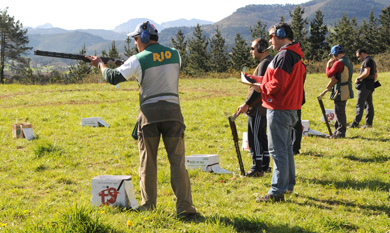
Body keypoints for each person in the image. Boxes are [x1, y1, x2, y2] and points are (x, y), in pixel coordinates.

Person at [87, 21, 196, 217]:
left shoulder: (137, 59)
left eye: (136, 39)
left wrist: (100, 64)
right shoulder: (175, 54)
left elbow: (112, 77)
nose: (136, 43)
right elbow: (159, 67)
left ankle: (149, 206)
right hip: (173, 114)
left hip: (149, 117)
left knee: (148, 163)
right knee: (178, 163)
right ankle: (185, 208)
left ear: (143, 38)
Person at [253, 23, 306, 202]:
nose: (269, 40)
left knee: (277, 151)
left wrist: (262, 87)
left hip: (279, 108)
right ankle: (288, 186)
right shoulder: (294, 54)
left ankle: (277, 191)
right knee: (286, 149)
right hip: (290, 107)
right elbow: (282, 80)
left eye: (271, 36)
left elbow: (278, 84)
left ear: (281, 34)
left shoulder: (283, 55)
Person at [236, 38, 272, 177]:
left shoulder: (264, 64)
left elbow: (259, 89)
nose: (251, 51)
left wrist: (247, 104)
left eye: (253, 48)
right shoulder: (267, 62)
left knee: (254, 137)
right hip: (260, 106)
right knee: (261, 135)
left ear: (261, 48)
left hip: (258, 107)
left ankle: (257, 168)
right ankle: (264, 164)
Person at [325, 45, 354, 138]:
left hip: (341, 89)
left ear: (335, 54)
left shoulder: (338, 63)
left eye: (333, 55)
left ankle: (341, 133)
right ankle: (337, 131)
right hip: (346, 88)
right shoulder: (348, 60)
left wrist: (328, 65)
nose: (333, 57)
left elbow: (329, 74)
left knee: (339, 111)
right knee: (339, 110)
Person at [349, 48, 377, 128]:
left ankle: (355, 124)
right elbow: (375, 76)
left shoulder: (367, 61)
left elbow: (366, 72)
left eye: (358, 56)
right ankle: (368, 124)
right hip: (370, 86)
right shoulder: (372, 61)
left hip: (364, 86)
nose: (358, 58)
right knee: (369, 105)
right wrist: (371, 82)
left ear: (362, 54)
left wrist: (358, 78)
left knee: (359, 105)